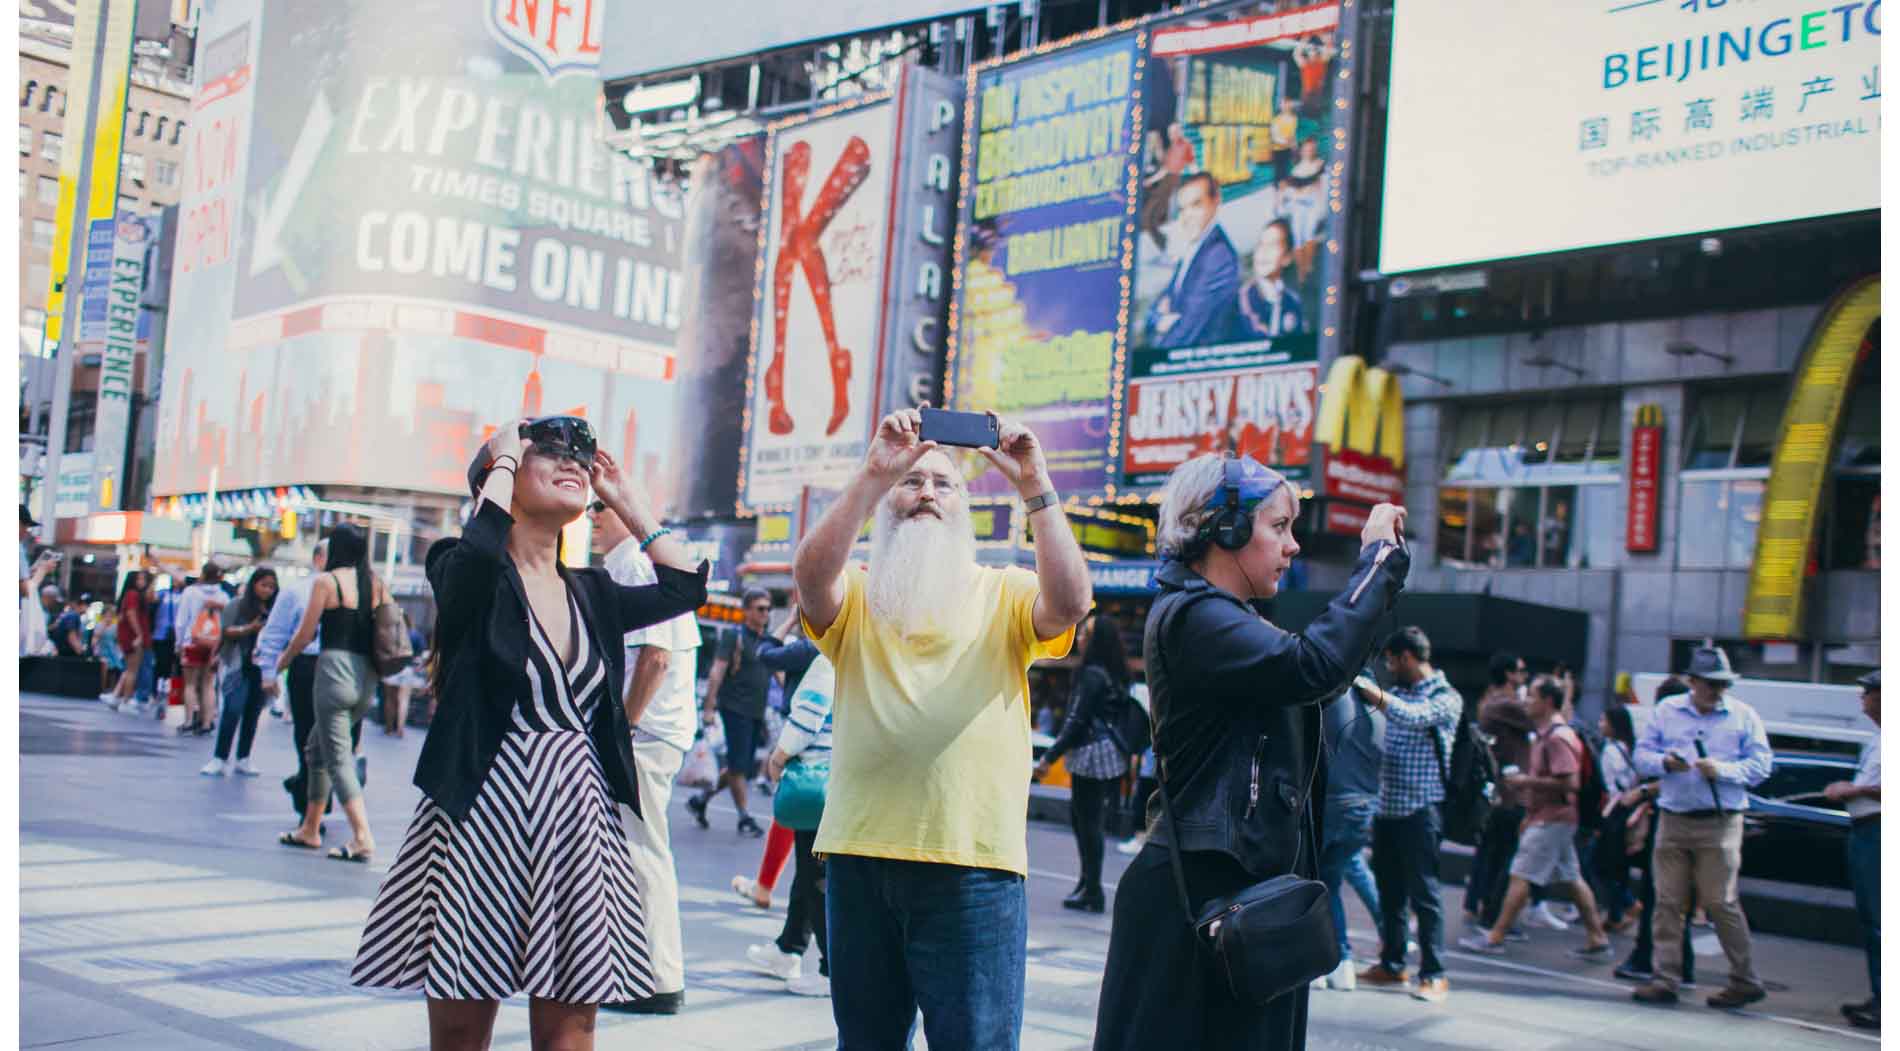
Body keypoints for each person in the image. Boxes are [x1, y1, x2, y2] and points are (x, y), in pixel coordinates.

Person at [350, 417, 706, 1050]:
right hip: (483, 809)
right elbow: (481, 554)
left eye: (578, 457)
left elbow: (685, 586)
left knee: (573, 1023)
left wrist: (627, 499)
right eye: (545, 453)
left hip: (577, 815)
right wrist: (504, 457)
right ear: (501, 477)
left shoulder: (594, 591)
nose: (570, 461)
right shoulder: (459, 567)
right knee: (462, 1019)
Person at [792, 407, 1091, 1050]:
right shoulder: (858, 596)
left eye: (944, 484)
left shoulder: (1004, 592)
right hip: (859, 860)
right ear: (888, 501)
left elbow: (1070, 604)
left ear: (966, 508)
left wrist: (1035, 484)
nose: (926, 492)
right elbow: (810, 578)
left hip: (973, 869)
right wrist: (874, 472)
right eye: (912, 482)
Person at [1095, 454, 1407, 1049]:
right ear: (1226, 528)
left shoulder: (1226, 619)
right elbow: (1313, 665)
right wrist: (1377, 563)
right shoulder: (1196, 617)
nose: (1292, 546)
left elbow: (1320, 670)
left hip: (1243, 898)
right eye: (1279, 527)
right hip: (1204, 902)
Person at [589, 496, 702, 1017]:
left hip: (646, 735)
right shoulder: (632, 562)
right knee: (638, 849)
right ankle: (640, 970)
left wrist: (624, 729)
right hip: (655, 733)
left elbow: (654, 658)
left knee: (642, 852)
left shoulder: (636, 562)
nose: (591, 516)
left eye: (600, 507)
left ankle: (658, 980)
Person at [1629, 645, 1773, 1009]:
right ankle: (1666, 978)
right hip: (1674, 818)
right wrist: (1665, 762)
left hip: (1720, 821)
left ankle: (1745, 979)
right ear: (1692, 682)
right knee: (1667, 902)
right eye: (1710, 683)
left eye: (1722, 684)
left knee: (1720, 902)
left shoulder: (1743, 716)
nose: (1717, 690)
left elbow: (1761, 766)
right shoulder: (1667, 711)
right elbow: (1641, 756)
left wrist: (1722, 770)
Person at [1458, 675, 1613, 959]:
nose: (1526, 702)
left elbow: (1570, 783)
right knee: (1572, 878)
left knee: (1520, 874)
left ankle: (1495, 935)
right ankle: (1598, 938)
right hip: (1551, 816)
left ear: (1548, 702)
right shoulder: (1548, 735)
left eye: (1532, 696)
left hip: (1553, 817)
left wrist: (1525, 782)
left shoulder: (1558, 738)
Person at [1354, 627, 1461, 1003]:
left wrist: (1375, 694)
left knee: (1425, 894)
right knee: (1390, 893)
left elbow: (1414, 718)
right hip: (1387, 810)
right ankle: (1393, 964)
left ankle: (1434, 973)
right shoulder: (1396, 692)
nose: (1389, 667)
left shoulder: (1446, 698)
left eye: (1391, 660)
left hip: (1421, 810)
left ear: (1407, 657)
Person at [274, 526, 384, 860]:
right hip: (367, 676)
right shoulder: (375, 584)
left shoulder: (327, 582)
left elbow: (306, 635)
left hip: (334, 673)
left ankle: (363, 836)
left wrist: (282, 662)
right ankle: (310, 828)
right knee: (317, 748)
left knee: (337, 757)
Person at [747, 653, 838, 998]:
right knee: (808, 871)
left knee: (815, 875)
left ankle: (832, 968)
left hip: (815, 778)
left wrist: (779, 755)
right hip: (835, 778)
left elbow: (808, 717)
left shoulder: (827, 662)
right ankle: (789, 948)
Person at [1034, 612, 1132, 913]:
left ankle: (1091, 890)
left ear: (1095, 640)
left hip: (1090, 755)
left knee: (1087, 823)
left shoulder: (1090, 675)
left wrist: (1049, 758)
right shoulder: (1114, 675)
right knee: (1088, 822)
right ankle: (1086, 884)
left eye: (1085, 633)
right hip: (1107, 753)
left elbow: (1076, 721)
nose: (1079, 638)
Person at [1614, 676, 1696, 986]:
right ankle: (1679, 963)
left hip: (1674, 822)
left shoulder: (1677, 732)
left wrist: (1644, 792)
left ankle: (1651, 959)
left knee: (1659, 894)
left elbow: (1677, 775)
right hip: (1679, 820)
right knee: (1671, 897)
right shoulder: (1679, 730)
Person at [686, 587, 775, 838]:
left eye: (768, 609)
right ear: (746, 610)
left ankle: (701, 800)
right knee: (738, 766)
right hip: (734, 708)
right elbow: (717, 671)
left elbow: (778, 672)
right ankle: (745, 817)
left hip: (757, 710)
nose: (765, 614)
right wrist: (709, 708)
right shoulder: (734, 636)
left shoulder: (766, 641)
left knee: (740, 767)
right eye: (760, 608)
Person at [255, 542, 332, 813]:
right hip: (307, 667)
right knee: (307, 738)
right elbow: (276, 633)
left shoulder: (356, 590)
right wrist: (269, 672)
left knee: (335, 743)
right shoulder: (298, 591)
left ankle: (309, 791)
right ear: (318, 558)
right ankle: (309, 802)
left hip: (343, 673)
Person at [1826, 670, 1880, 1030]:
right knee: (1871, 920)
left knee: (1881, 920)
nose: (1863, 698)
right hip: (1865, 830)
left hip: (1879, 831)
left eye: (1869, 692)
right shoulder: (1877, 739)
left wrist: (1853, 791)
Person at [1464, 651, 1531, 930]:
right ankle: (1491, 913)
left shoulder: (1492, 700)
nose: (1524, 676)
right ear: (1508, 674)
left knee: (1491, 850)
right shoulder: (1506, 704)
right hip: (1508, 792)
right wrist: (1564, 692)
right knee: (1503, 855)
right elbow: (1542, 716)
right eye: (1520, 671)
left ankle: (1477, 904)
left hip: (1499, 790)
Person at [1145, 173, 1240, 350]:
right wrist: (1157, 321)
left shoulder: (1218, 258)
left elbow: (1185, 333)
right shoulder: (1194, 249)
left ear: (1215, 202)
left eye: (1196, 205)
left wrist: (1153, 358)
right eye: (1182, 209)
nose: (1187, 216)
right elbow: (1154, 309)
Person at [203, 568, 277, 776]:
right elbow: (225, 630)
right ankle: (220, 757)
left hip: (261, 667)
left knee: (253, 713)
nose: (267, 590)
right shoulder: (237, 605)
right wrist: (249, 629)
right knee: (232, 709)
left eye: (271, 586)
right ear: (254, 584)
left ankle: (243, 758)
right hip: (237, 664)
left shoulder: (274, 608)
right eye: (264, 585)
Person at [1594, 705, 1641, 931]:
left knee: (1599, 863)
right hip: (1626, 809)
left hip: (1614, 810)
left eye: (1603, 720)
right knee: (1618, 867)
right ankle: (1615, 914)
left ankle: (1628, 904)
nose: (1600, 724)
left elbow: (1612, 785)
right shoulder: (1630, 747)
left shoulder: (1611, 750)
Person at [173, 565, 230, 736]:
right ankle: (207, 722)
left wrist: (178, 642)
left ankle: (189, 721)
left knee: (190, 684)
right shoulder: (223, 596)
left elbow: (181, 620)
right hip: (214, 644)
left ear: (203, 574)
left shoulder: (191, 592)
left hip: (193, 641)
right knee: (208, 684)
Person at [1234, 219, 1304, 342]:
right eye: (1261, 245)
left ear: (1287, 257)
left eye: (1272, 246)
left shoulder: (1292, 302)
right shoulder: (1240, 298)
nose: (1264, 252)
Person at [104, 571, 149, 707]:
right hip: (133, 635)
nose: (142, 582)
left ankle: (117, 696)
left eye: (143, 579)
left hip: (129, 634)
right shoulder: (133, 595)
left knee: (129, 669)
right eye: (139, 579)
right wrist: (139, 634)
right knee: (132, 670)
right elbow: (131, 614)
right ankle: (126, 700)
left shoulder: (129, 595)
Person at [50, 593, 86, 657]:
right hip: (67, 654)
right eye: (85, 605)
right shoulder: (73, 615)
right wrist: (81, 653)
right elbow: (72, 637)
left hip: (60, 652)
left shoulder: (66, 614)